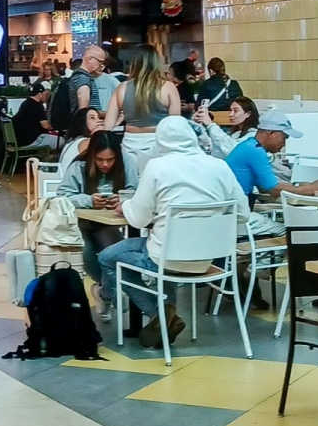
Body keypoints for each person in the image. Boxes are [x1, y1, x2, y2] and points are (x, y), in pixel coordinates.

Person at [97, 116, 250, 347]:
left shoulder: (158, 167)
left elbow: (138, 219)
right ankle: (164, 315)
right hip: (209, 261)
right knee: (159, 249)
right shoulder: (220, 166)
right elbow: (243, 214)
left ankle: (161, 314)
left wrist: (125, 206)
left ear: (160, 140)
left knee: (108, 257)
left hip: (166, 259)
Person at [57, 130, 136, 317]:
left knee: (114, 252)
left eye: (110, 159)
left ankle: (105, 293)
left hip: (109, 223)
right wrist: (88, 200)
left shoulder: (128, 162)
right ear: (92, 155)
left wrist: (123, 200)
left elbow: (136, 191)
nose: (105, 164)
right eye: (100, 160)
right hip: (80, 223)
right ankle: (108, 291)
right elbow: (62, 196)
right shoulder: (78, 166)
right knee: (85, 251)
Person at [104, 44, 180, 175]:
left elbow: (107, 126)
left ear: (134, 63)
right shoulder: (168, 87)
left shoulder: (122, 88)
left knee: (132, 184)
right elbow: (175, 126)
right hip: (158, 143)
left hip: (129, 144)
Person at [222, 109, 318, 201]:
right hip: (237, 210)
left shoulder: (250, 145)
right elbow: (274, 190)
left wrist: (299, 186)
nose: (283, 144)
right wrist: (311, 189)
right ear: (272, 133)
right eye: (284, 137)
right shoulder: (255, 151)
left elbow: (264, 186)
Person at [193, 95, 259, 158]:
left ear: (248, 114)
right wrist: (199, 125)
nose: (231, 114)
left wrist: (210, 124)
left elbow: (232, 150)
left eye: (235, 111)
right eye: (230, 110)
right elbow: (213, 147)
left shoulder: (253, 135)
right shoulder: (235, 133)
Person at [58, 106, 104, 181]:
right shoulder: (86, 142)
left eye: (99, 117)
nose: (99, 121)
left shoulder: (73, 140)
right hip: (70, 184)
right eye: (92, 118)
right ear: (82, 122)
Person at [13, 85, 56, 151]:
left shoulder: (25, 103)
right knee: (61, 141)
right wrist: (58, 127)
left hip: (19, 141)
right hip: (30, 141)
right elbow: (46, 126)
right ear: (39, 94)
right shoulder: (38, 106)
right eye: (44, 94)